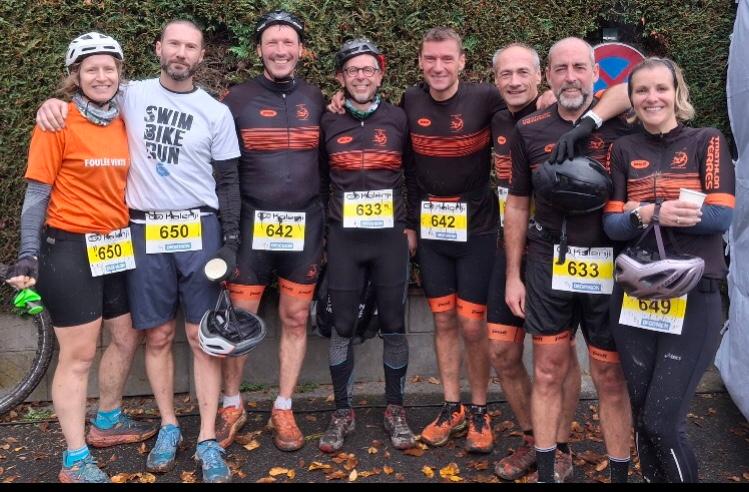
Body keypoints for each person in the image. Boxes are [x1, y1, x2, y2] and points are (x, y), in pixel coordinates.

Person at [36, 20, 242, 483]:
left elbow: (229, 182)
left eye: (191, 46)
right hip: (145, 229)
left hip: (199, 227)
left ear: (201, 55)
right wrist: (51, 105)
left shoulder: (216, 112)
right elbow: (86, 96)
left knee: (202, 336)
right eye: (174, 44)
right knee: (158, 335)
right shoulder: (129, 94)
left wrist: (231, 242)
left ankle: (207, 438)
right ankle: (168, 425)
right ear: (158, 48)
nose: (181, 52)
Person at [6, 32, 138, 483]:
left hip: (116, 245)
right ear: (76, 76)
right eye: (91, 69)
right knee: (78, 357)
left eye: (109, 68)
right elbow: (36, 195)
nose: (101, 76)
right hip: (69, 248)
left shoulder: (124, 118)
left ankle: (108, 421)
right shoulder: (57, 121)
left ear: (119, 74)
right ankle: (75, 459)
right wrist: (27, 253)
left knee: (126, 336)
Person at [504, 37, 632, 483]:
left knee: (610, 377)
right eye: (561, 69)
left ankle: (620, 474)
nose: (571, 77)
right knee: (547, 370)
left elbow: (640, 85)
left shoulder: (621, 122)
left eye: (580, 67)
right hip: (548, 261)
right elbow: (517, 204)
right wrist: (513, 275)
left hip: (609, 264)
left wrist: (590, 122)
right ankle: (548, 467)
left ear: (596, 73)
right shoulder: (529, 129)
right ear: (548, 76)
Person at [603, 57, 735, 483]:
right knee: (644, 417)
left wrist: (643, 211)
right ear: (632, 99)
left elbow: (720, 217)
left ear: (677, 93)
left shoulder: (706, 141)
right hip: (635, 294)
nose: (652, 97)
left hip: (695, 294)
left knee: (663, 422)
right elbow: (612, 225)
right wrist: (653, 213)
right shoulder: (623, 149)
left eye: (661, 88)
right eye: (641, 90)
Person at [219, 10, 325, 452]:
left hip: (305, 226)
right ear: (259, 49)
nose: (281, 51)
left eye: (288, 43)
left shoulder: (318, 98)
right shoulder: (236, 100)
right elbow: (222, 170)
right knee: (239, 320)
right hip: (251, 226)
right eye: (272, 43)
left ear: (300, 50)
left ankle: (284, 406)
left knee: (296, 317)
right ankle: (231, 404)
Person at [399, 27, 505, 453]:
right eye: (430, 58)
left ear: (462, 61)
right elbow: (408, 168)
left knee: (473, 324)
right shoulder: (410, 100)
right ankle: (451, 406)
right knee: (442, 320)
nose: (438, 67)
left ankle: (479, 409)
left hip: (478, 229)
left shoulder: (486, 98)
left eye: (447, 58)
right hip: (432, 231)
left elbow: (525, 108)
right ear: (420, 62)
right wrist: (410, 223)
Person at [316, 38, 417, 453]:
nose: (361, 76)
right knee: (342, 325)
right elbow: (318, 179)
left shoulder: (398, 118)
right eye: (353, 70)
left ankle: (395, 408)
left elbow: (415, 173)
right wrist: (323, 234)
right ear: (341, 77)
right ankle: (342, 410)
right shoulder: (328, 119)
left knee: (393, 323)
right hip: (344, 239)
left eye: (369, 69)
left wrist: (411, 226)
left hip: (389, 238)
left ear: (380, 75)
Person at [487, 42, 582, 481]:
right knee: (502, 351)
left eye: (523, 72)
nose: (514, 82)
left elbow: (620, 93)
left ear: (540, 76)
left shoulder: (557, 109)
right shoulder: (491, 114)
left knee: (559, 355)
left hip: (553, 253)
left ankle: (559, 447)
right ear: (494, 80)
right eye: (505, 74)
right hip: (510, 249)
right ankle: (533, 438)